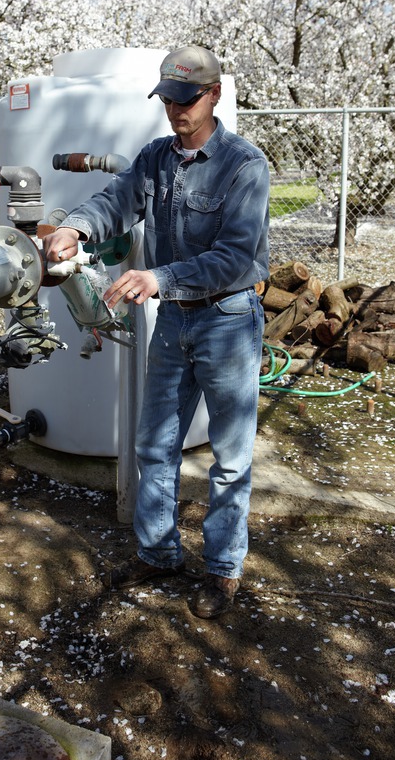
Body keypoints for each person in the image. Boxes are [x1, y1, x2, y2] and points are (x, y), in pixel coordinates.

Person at [42, 45, 270, 618]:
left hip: (227, 319)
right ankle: (159, 551)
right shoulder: (155, 159)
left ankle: (222, 572)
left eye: (186, 100)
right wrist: (75, 229)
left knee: (230, 457)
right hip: (174, 318)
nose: (175, 110)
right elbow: (115, 202)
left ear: (214, 95)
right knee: (154, 443)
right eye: (167, 99)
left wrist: (158, 276)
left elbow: (237, 259)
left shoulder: (245, 166)